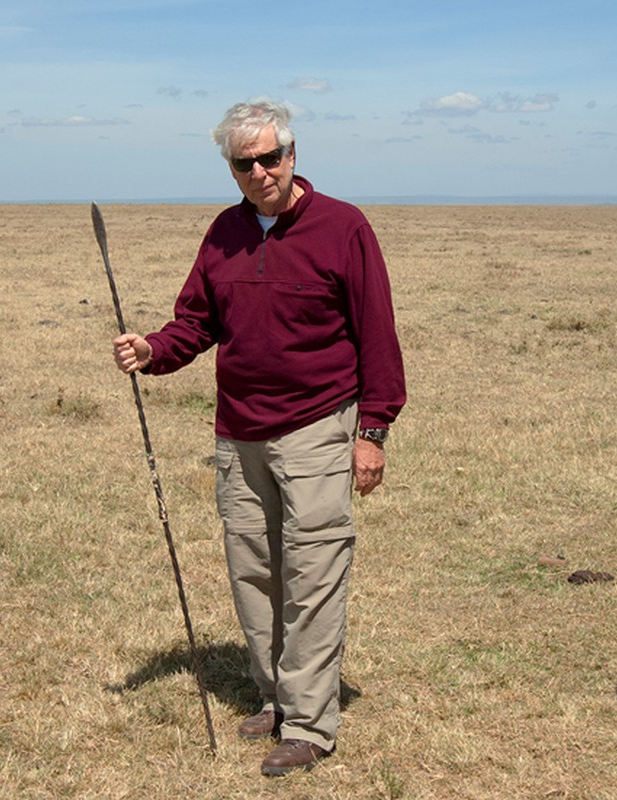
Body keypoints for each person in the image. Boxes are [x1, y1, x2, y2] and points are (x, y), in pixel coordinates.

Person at [113, 98, 406, 776]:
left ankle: (308, 726)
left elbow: (378, 335)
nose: (260, 171)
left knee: (313, 572)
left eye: (270, 157)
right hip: (238, 434)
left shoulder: (344, 227)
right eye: (244, 163)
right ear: (233, 169)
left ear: (293, 156)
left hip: (317, 427)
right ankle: (276, 696)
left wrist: (373, 431)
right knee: (254, 571)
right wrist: (152, 350)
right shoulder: (224, 233)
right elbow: (196, 323)